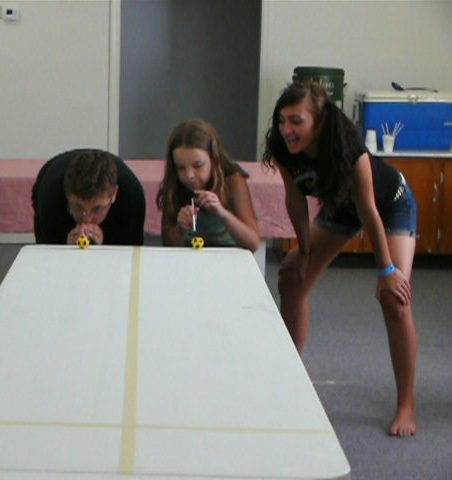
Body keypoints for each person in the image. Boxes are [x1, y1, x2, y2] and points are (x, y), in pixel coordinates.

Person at [262, 82, 418, 437]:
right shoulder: (283, 148)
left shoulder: (349, 150)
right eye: (283, 121)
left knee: (394, 298)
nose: (287, 130)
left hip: (390, 203)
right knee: (291, 278)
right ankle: (290, 381)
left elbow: (369, 211)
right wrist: (303, 251)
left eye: (297, 121)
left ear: (319, 121)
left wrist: (386, 270)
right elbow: (295, 200)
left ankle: (406, 405)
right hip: (341, 208)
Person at [156, 119, 260, 251]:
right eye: (180, 167)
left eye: (198, 165)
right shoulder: (174, 184)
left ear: (213, 159)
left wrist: (223, 213)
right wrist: (180, 228)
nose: (189, 175)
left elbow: (253, 243)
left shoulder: (233, 181)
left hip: (228, 255)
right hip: (190, 256)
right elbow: (168, 245)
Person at [31, 148, 145, 245]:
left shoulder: (132, 200)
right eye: (78, 207)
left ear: (114, 194)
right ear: (66, 194)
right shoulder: (50, 198)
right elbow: (46, 255)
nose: (87, 219)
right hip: (50, 179)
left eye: (97, 209)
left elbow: (129, 255)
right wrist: (64, 245)